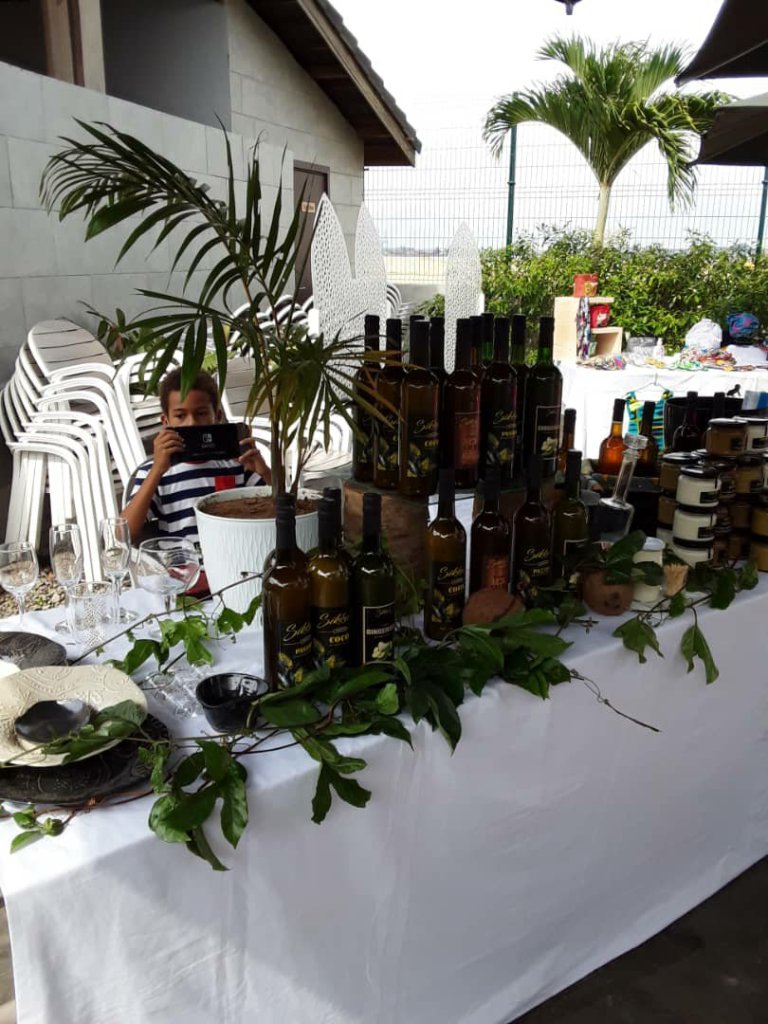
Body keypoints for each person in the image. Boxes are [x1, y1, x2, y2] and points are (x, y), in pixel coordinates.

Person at [123, 368, 271, 543]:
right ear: (166, 421)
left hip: (234, 554)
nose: (192, 423)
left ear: (217, 416)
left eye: (201, 414)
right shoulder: (154, 471)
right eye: (180, 415)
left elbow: (282, 512)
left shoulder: (238, 464)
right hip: (182, 560)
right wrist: (156, 471)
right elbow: (124, 534)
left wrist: (264, 472)